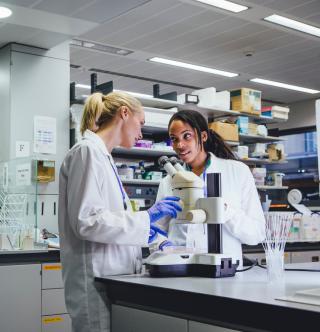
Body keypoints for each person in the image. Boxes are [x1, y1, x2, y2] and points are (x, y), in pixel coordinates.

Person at [58, 91, 182, 332]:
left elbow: (110, 219)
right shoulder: (87, 152)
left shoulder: (104, 157)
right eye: (141, 123)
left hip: (112, 280)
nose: (141, 133)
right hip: (94, 281)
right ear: (124, 113)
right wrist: (146, 217)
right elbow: (87, 221)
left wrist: (149, 233)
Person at [156, 109, 265, 266]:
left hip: (225, 273)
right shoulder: (168, 182)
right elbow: (156, 230)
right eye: (174, 139)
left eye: (187, 136)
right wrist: (163, 245)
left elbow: (257, 234)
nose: (179, 145)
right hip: (180, 270)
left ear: (203, 136)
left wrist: (225, 211)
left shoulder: (237, 171)